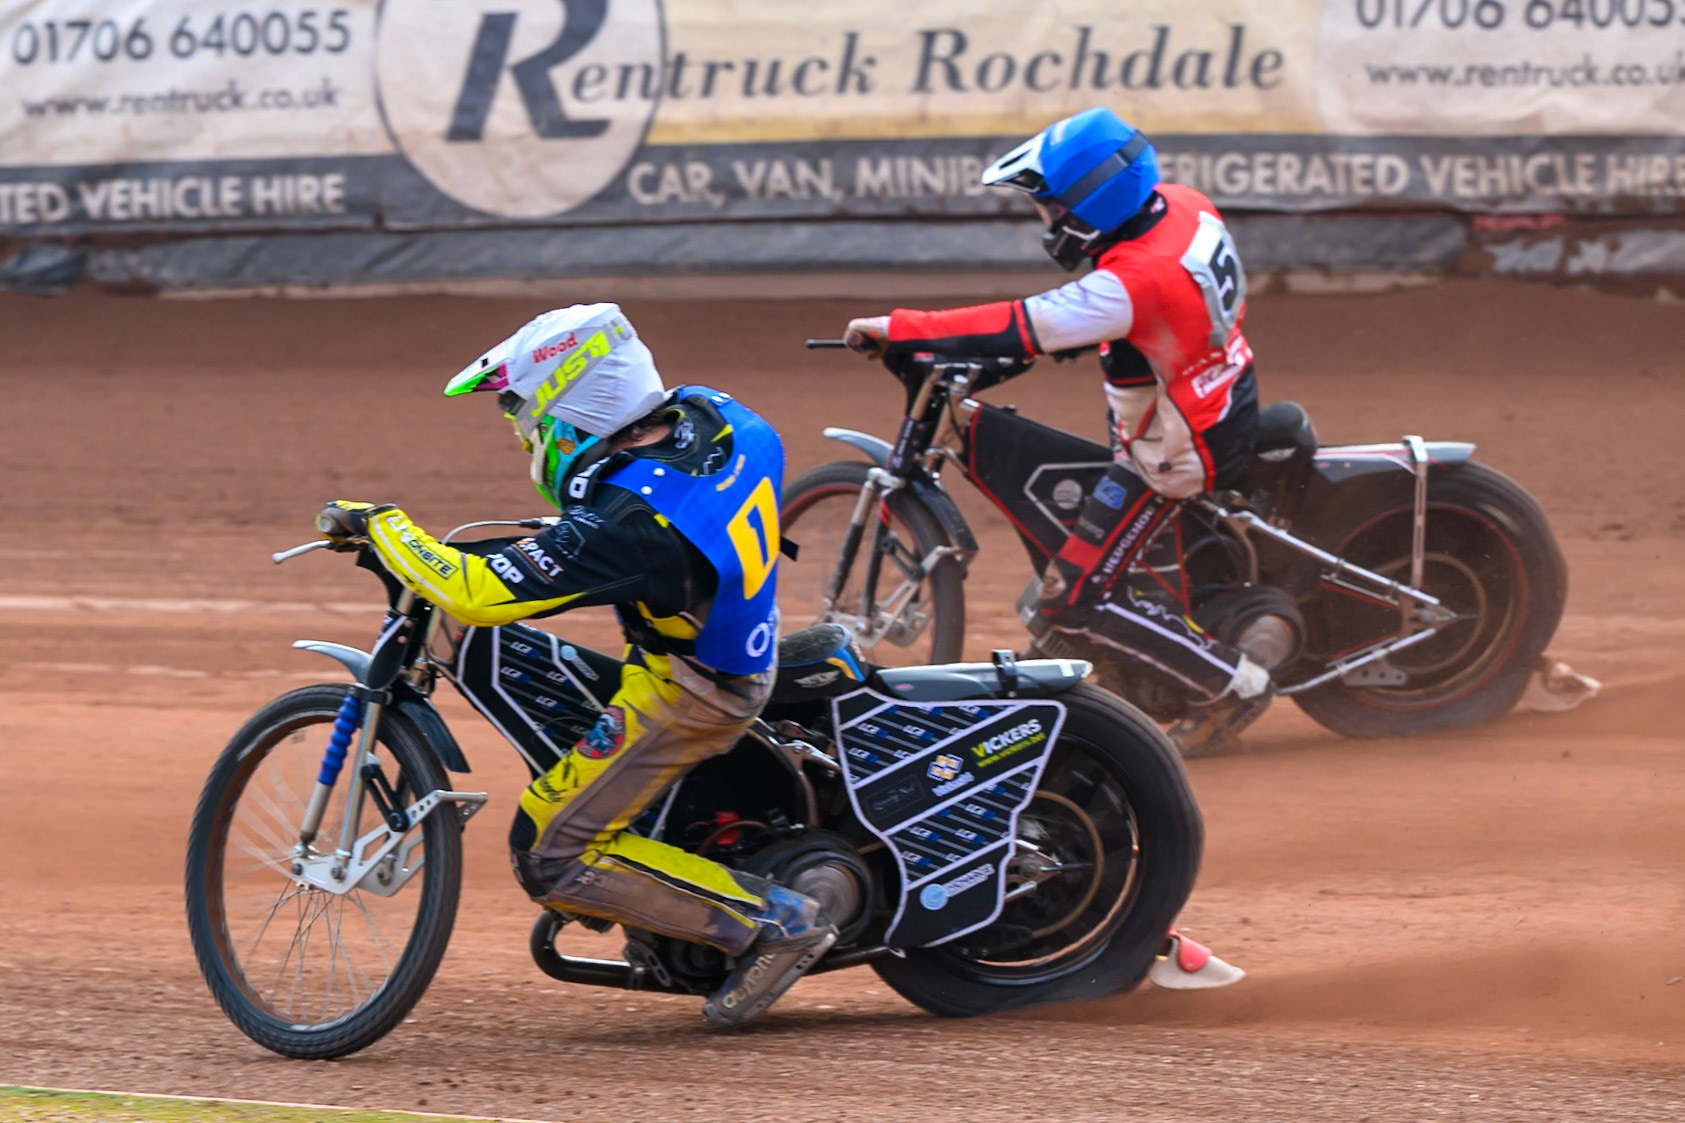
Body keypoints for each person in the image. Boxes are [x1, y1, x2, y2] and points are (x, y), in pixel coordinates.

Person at [319, 303, 834, 1028]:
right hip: (713, 634)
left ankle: (776, 925)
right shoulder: (716, 417)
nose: (524, 438)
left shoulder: (631, 528)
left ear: (573, 410)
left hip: (692, 692)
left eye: (528, 421)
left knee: (548, 850)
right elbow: (643, 508)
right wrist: (576, 529)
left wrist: (384, 524)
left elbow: (475, 590)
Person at [844, 106, 1273, 755]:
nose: (1045, 218)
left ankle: (1233, 684)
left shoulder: (1132, 281)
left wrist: (899, 327)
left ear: (1092, 204)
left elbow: (1023, 322)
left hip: (1172, 452)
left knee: (1071, 600)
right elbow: (1127, 315)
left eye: (1050, 205)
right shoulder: (1183, 206)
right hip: (1215, 390)